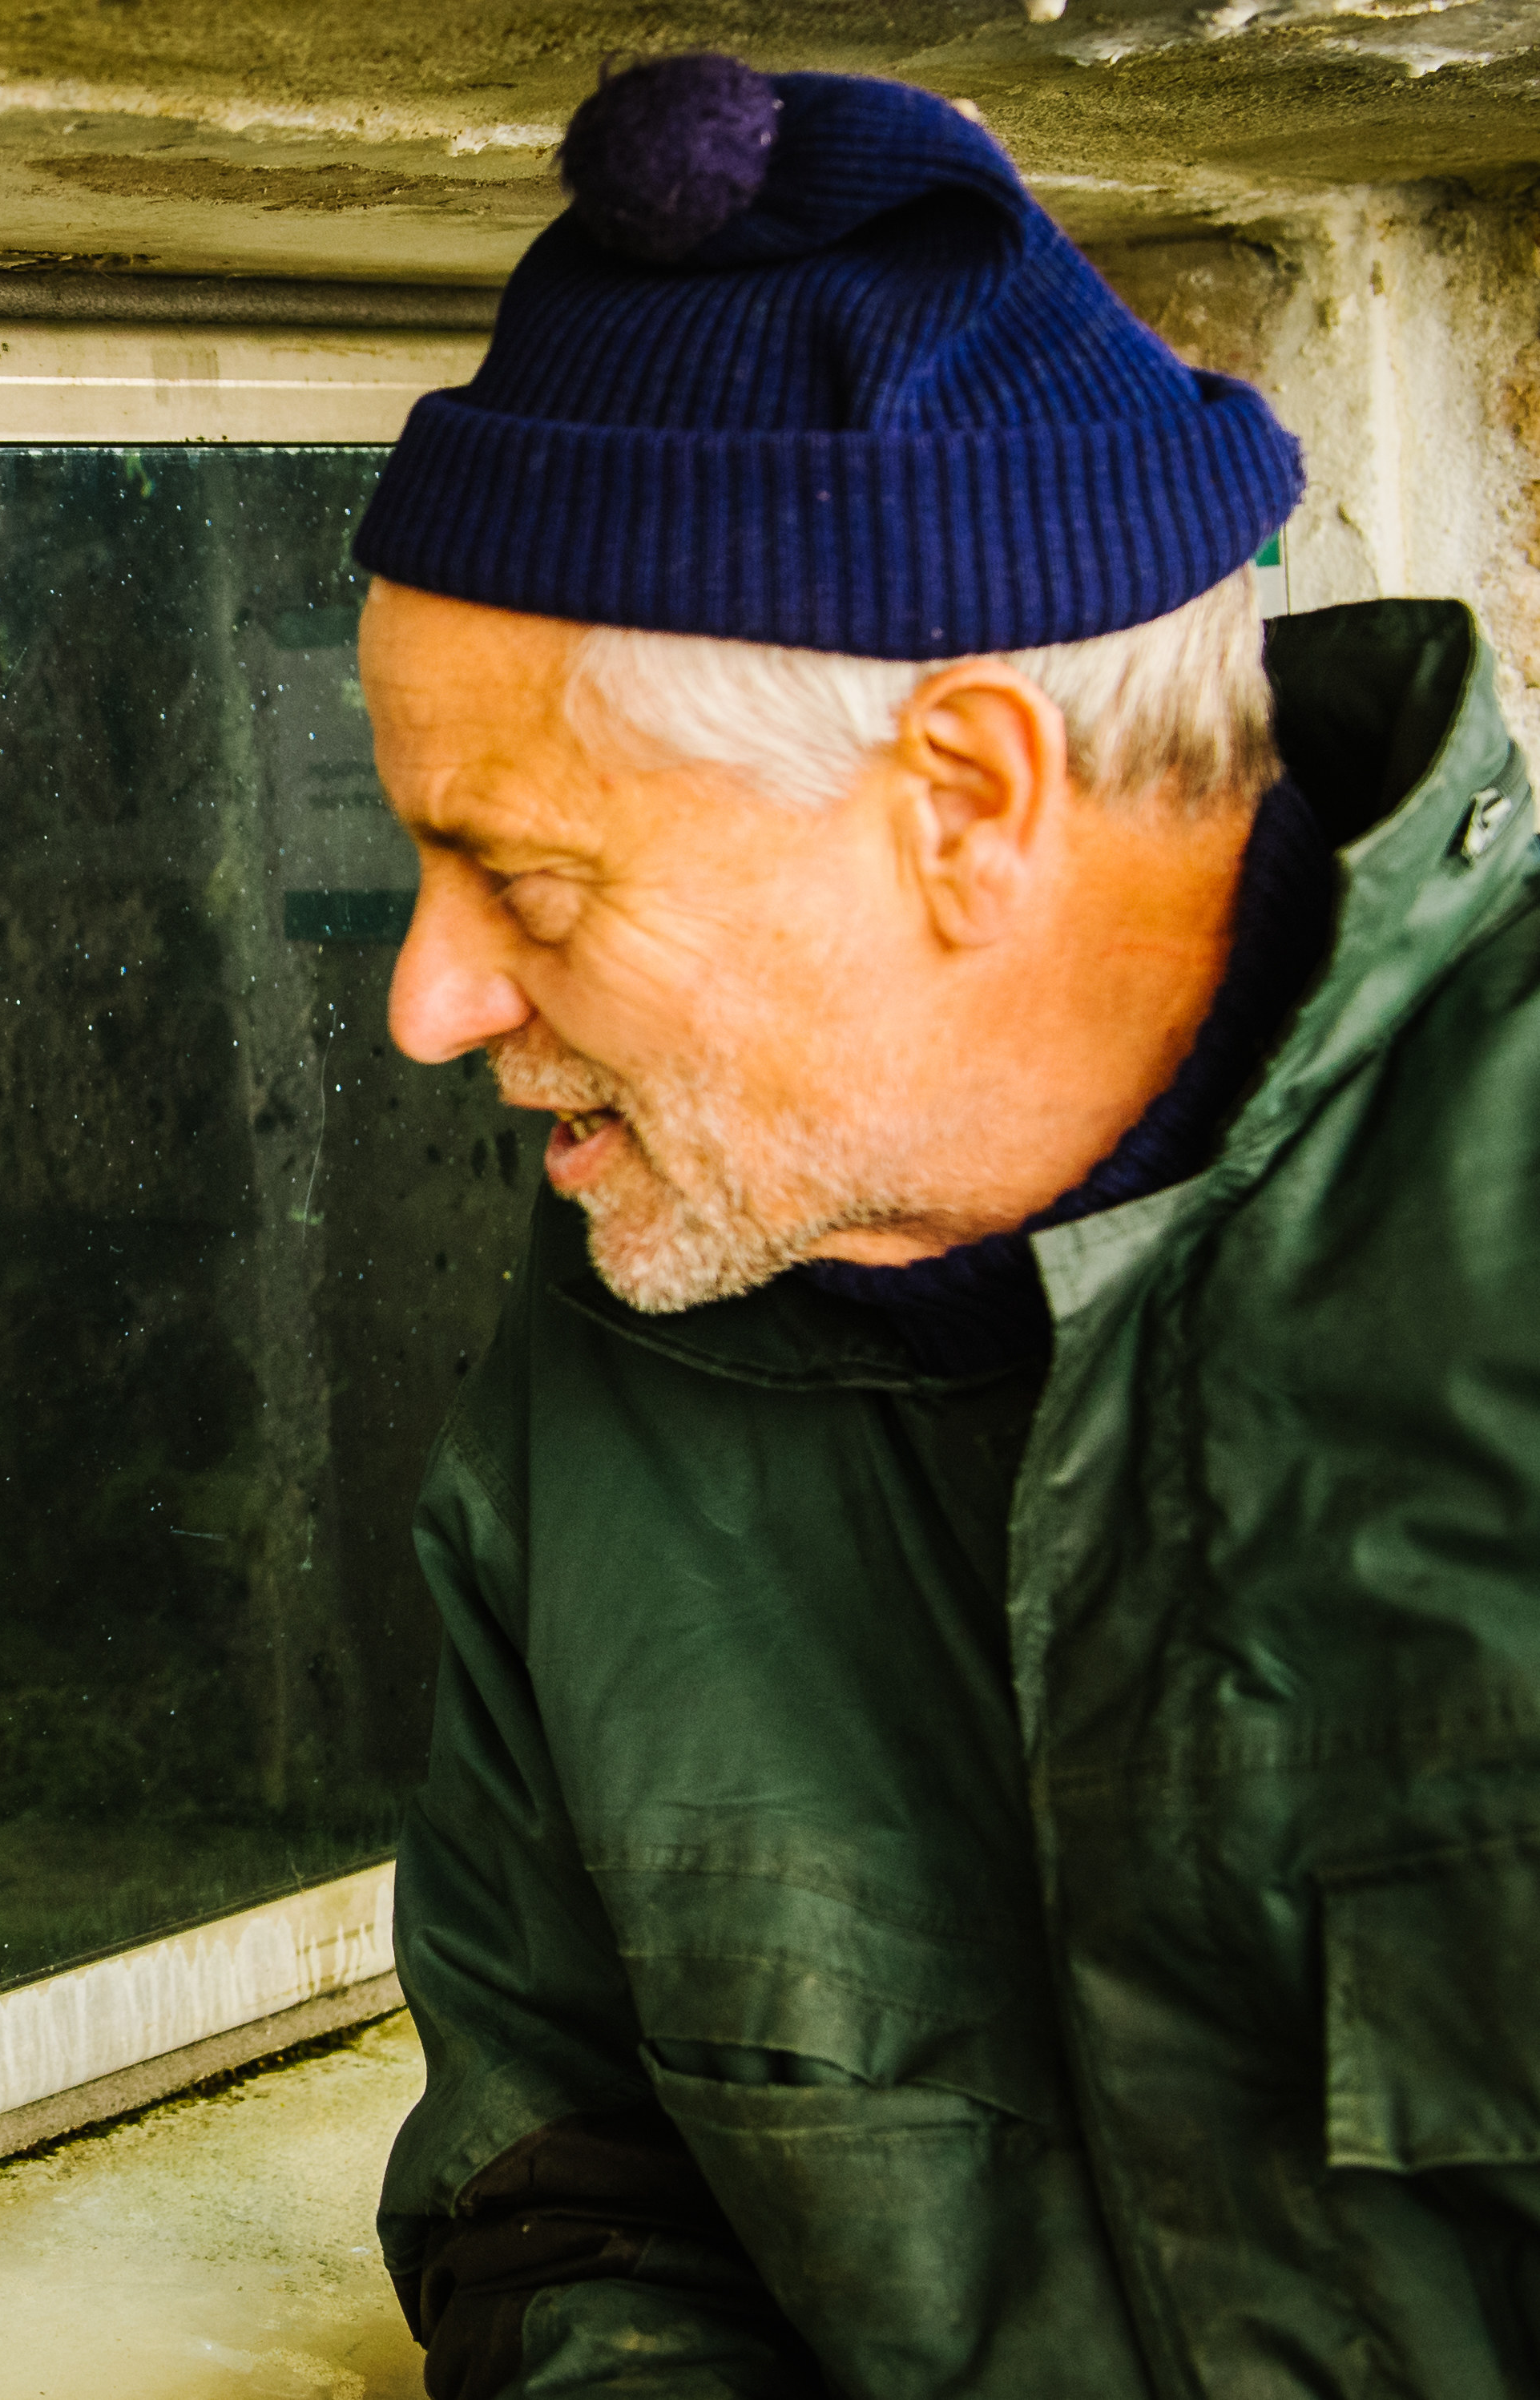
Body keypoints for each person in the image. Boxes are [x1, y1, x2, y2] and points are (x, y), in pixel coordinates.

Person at [352, 56, 1540, 2398]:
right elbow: (570, 2196)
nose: (426, 999)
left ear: (967, 806)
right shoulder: (619, 1348)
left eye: (529, 870)